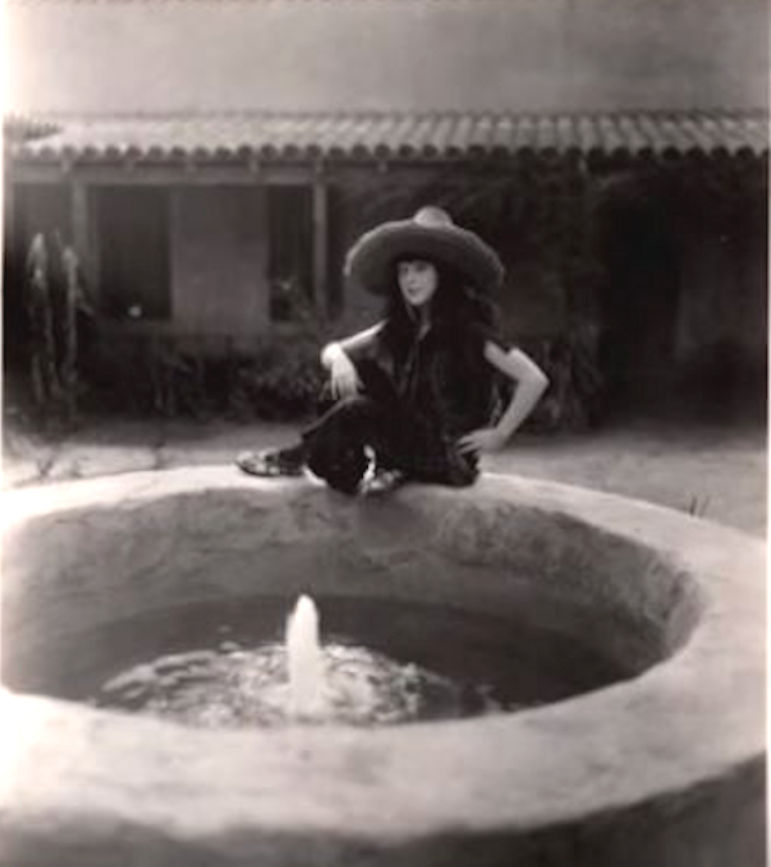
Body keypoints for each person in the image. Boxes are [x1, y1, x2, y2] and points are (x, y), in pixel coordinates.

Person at [236, 206, 549, 495]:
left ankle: (292, 459)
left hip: (446, 457)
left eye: (421, 269)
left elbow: (533, 378)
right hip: (408, 443)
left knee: (357, 408)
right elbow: (332, 350)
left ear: (443, 274)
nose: (410, 280)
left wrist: (500, 434)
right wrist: (341, 362)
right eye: (403, 271)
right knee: (346, 383)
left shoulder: (470, 332)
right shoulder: (402, 328)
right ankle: (356, 468)